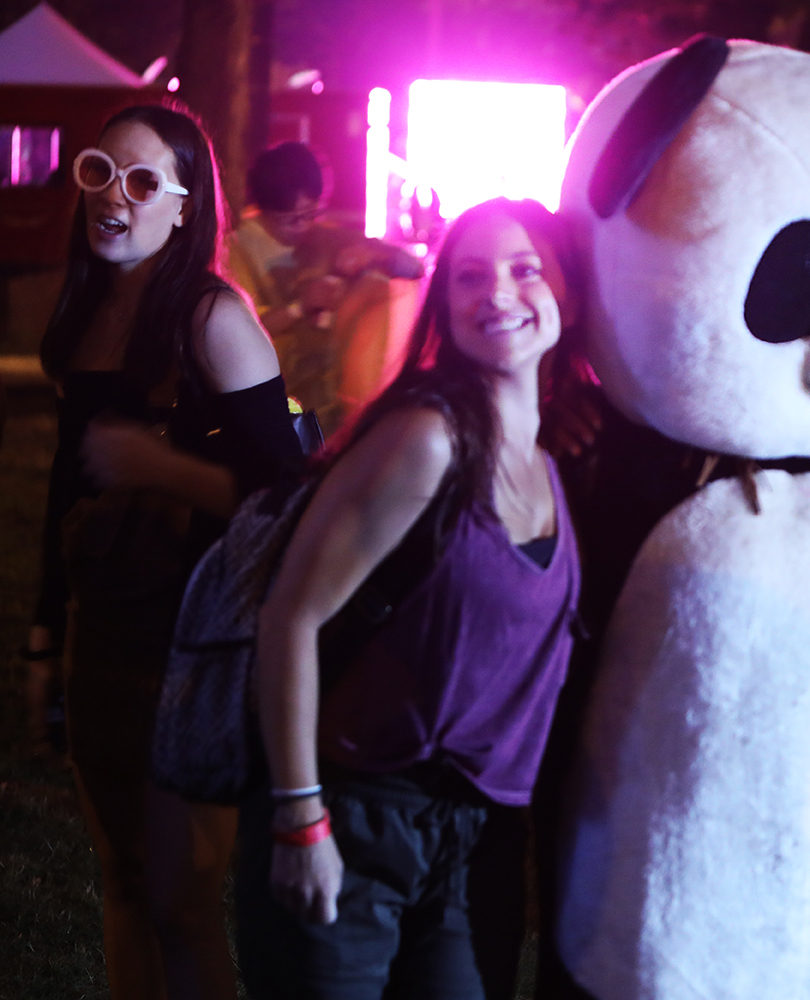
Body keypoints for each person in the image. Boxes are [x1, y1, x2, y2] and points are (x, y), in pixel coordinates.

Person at [236, 197, 582, 1000]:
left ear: (568, 290)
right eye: (470, 277)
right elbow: (290, 615)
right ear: (444, 301)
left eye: (525, 269)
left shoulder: (552, 466)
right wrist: (301, 818)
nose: (497, 293)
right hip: (354, 817)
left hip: (464, 841)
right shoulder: (426, 439)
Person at [27, 102, 304, 1000]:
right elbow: (66, 495)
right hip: (99, 632)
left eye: (144, 182)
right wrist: (44, 636)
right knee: (121, 882)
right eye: (101, 173)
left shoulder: (213, 318)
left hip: (194, 646)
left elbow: (288, 500)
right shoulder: (87, 312)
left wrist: (161, 466)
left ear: (185, 207)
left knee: (181, 905)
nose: (115, 197)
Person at [229, 141, 423, 431]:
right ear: (262, 209)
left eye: (312, 214)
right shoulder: (235, 250)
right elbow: (235, 335)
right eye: (290, 220)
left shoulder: (326, 239)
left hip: (334, 399)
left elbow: (415, 269)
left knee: (381, 287)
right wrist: (298, 308)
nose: (303, 226)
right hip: (273, 406)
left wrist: (374, 255)